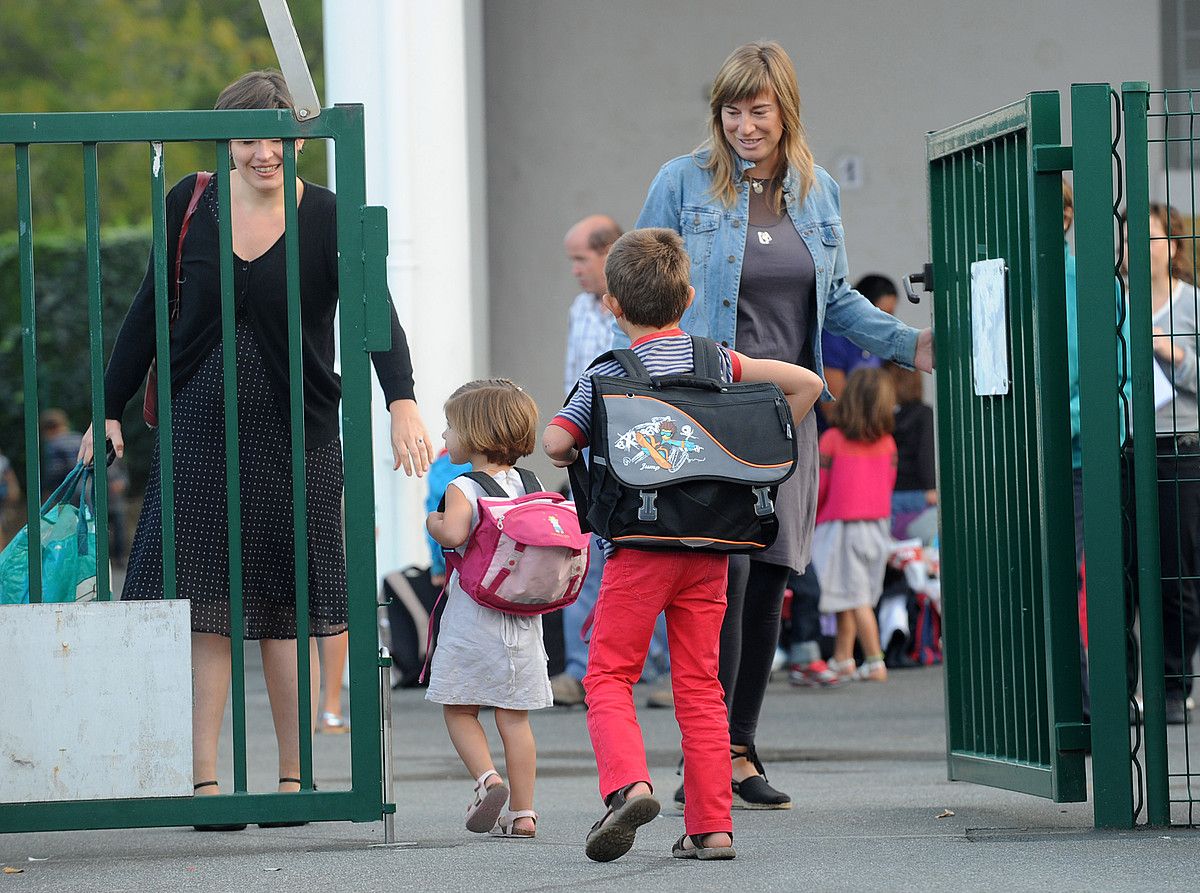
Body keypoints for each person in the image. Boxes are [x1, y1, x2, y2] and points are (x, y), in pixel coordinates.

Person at [78, 70, 433, 829]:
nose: (263, 151)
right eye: (247, 137)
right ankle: (207, 784)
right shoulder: (190, 204)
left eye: (276, 136)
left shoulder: (329, 217)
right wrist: (107, 408)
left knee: (288, 608)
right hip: (199, 433)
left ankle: (293, 781)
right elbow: (147, 309)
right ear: (226, 141)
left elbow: (379, 312)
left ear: (298, 139)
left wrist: (401, 398)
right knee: (206, 609)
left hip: (296, 434)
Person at [635, 40, 932, 809]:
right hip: (709, 406)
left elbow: (835, 304)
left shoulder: (817, 190)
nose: (743, 125)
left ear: (784, 109)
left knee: (769, 578)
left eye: (757, 109)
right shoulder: (682, 181)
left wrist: (910, 345)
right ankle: (703, 756)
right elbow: (639, 284)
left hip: (790, 412)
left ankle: (738, 749)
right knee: (718, 579)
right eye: (731, 110)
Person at [544, 228, 824, 862]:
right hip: (712, 548)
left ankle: (628, 785)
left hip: (640, 546)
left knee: (610, 673)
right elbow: (805, 384)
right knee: (700, 686)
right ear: (690, 295)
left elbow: (558, 444)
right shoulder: (721, 362)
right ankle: (712, 827)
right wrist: (758, 452)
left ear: (612, 304)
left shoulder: (605, 375)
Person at [425, 379, 549, 839]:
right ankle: (523, 813)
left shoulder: (465, 486)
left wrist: (432, 520)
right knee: (514, 719)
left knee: (460, 710)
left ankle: (486, 780)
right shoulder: (531, 483)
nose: (444, 437)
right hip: (524, 617)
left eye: (450, 428)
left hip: (475, 617)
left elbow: (454, 535)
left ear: (474, 434)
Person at [554, 214, 622, 707]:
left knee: (640, 561)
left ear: (609, 253)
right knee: (585, 564)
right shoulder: (582, 308)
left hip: (630, 453)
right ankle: (582, 670)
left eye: (582, 259)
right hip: (589, 457)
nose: (576, 270)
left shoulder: (631, 312)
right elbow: (574, 382)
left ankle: (649, 669)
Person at [1143, 202, 1200, 725]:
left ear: (1173, 248)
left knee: (1178, 574)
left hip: (1180, 447)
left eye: (1150, 237)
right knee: (1127, 573)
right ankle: (1131, 689)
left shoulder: (1191, 307)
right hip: (1126, 447)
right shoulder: (1117, 302)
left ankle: (1175, 684)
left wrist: (1174, 355)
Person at [811, 367, 897, 683]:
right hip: (878, 526)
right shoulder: (888, 443)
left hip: (840, 526)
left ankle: (875, 660)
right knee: (851, 593)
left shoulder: (832, 439)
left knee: (853, 596)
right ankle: (843, 657)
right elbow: (889, 481)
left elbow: (819, 486)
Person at [818, 273, 897, 429]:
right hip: (838, 433)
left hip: (870, 430)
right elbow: (832, 405)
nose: (888, 322)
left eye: (891, 315)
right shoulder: (835, 337)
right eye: (882, 314)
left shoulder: (878, 339)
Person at [888, 364, 937, 541]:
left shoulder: (884, 417)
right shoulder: (924, 414)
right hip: (919, 497)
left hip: (888, 497)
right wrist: (932, 487)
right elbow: (926, 455)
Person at [39, 409, 82, 499]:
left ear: (48, 429)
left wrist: (47, 489)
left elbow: (55, 471)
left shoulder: (54, 444)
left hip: (68, 490)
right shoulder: (79, 438)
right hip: (87, 484)